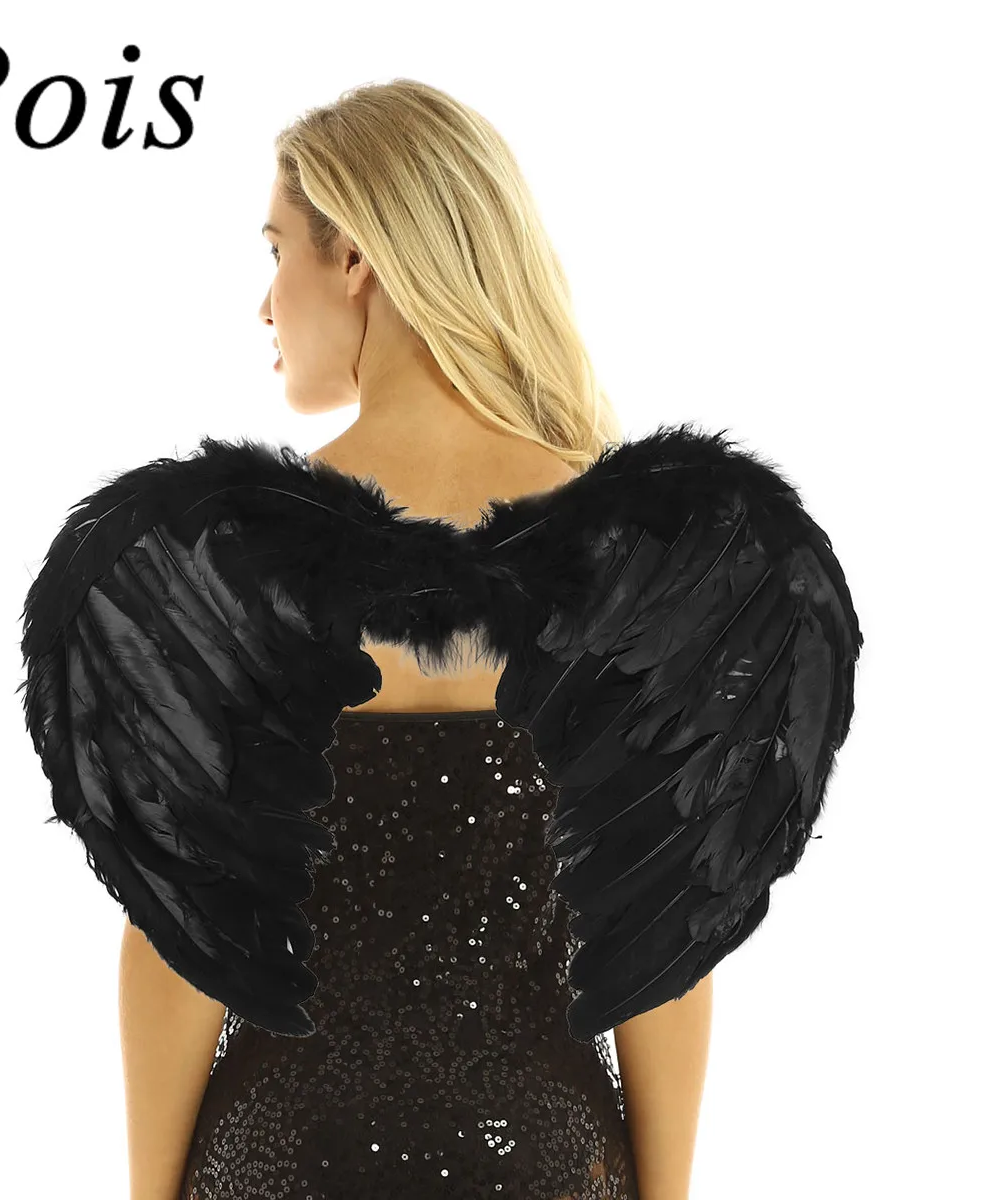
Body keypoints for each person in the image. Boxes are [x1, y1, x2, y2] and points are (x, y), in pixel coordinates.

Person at [119, 78, 709, 1200]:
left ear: (355, 259)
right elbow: (663, 936)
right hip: (542, 1157)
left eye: (276, 252)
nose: (264, 305)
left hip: (283, 1156)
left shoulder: (236, 553)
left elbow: (181, 937)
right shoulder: (631, 548)